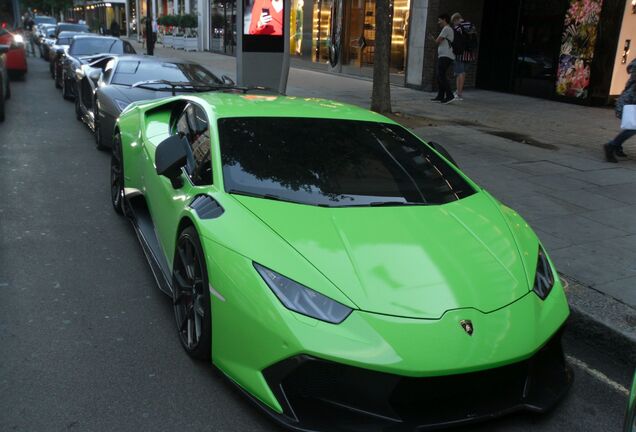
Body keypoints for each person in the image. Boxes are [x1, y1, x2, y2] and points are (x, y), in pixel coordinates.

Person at [604, 59, 636, 163]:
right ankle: (612, 145)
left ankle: (617, 146)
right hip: (630, 101)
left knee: (632, 127)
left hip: (629, 100)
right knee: (633, 128)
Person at [429, 13, 455, 104]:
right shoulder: (448, 29)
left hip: (446, 56)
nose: (438, 22)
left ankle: (449, 95)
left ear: (444, 19)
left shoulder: (446, 29)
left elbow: (437, 41)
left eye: (439, 20)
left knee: (441, 75)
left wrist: (432, 39)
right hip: (445, 56)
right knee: (440, 75)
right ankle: (440, 96)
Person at [450, 12, 477, 101]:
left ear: (456, 20)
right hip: (470, 54)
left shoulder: (458, 27)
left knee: (460, 73)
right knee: (463, 72)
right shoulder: (471, 25)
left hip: (460, 54)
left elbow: (454, 41)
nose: (454, 24)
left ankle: (459, 94)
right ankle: (458, 91)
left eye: (453, 22)